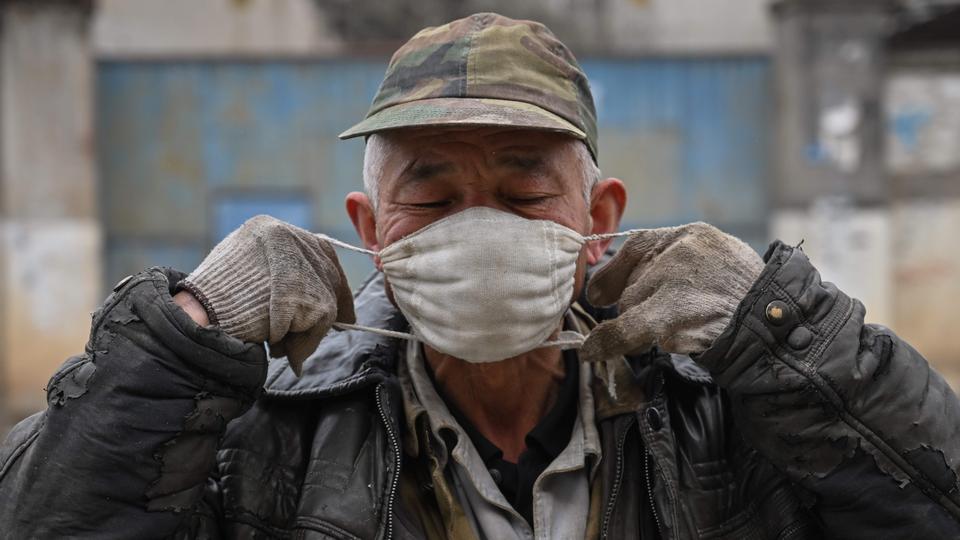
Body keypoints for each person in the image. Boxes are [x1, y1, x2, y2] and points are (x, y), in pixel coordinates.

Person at [1, 12, 958, 539]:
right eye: (434, 194)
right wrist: (186, 332)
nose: (481, 225)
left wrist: (785, 336)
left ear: (599, 220)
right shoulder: (266, 430)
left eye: (522, 191)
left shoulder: (729, 410)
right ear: (369, 229)